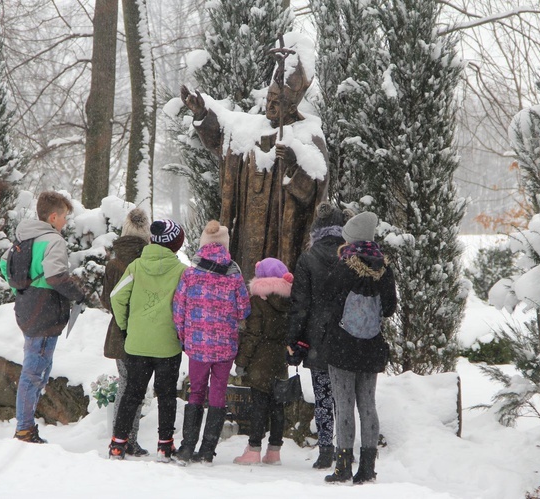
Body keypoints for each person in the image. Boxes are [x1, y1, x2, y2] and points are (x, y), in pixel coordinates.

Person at [179, 33, 328, 280]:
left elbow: (315, 187)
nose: (270, 106)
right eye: (269, 99)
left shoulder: (307, 135)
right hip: (246, 229)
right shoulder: (251, 128)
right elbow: (223, 135)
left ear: (291, 107)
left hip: (280, 234)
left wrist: (294, 161)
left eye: (277, 102)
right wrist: (202, 114)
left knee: (272, 285)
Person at [0, 191, 86, 444]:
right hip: (46, 309)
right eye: (64, 217)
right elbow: (56, 276)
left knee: (37, 366)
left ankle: (26, 426)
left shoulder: (22, 237)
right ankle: (24, 429)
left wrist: (20, 287)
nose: (65, 223)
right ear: (52, 217)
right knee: (35, 370)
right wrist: (79, 294)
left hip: (26, 306)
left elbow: (4, 264)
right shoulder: (53, 240)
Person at [322, 211, 397, 484]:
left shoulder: (343, 266)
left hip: (342, 346)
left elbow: (329, 302)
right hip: (371, 346)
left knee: (344, 405)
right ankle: (367, 468)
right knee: (368, 405)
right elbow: (389, 308)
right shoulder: (384, 269)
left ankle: (343, 467)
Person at [172, 221, 251, 465]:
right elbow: (244, 310)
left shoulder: (190, 273)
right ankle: (207, 450)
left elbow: (178, 308)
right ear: (225, 246)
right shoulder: (234, 274)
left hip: (197, 346)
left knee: (196, 392)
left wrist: (184, 336)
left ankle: (186, 447)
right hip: (225, 345)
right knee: (218, 393)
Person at [108, 219, 187, 461]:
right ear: (175, 245)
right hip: (167, 344)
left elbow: (116, 296)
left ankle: (118, 444)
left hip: (138, 343)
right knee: (166, 396)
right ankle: (165, 445)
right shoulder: (182, 272)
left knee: (133, 393)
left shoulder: (136, 267)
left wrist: (125, 326)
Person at [286, 202, 352, 468]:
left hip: (318, 338)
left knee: (323, 395)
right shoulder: (350, 256)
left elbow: (300, 305)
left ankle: (325, 450)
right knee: (346, 397)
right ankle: (345, 449)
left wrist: (294, 340)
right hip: (349, 336)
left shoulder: (308, 258)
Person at [99, 207, 151, 457]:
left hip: (120, 332)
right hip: (144, 331)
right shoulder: (146, 263)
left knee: (125, 385)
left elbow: (107, 301)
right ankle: (130, 439)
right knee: (137, 388)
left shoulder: (114, 264)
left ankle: (118, 438)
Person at [233, 257, 293, 466]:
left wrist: (241, 361)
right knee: (277, 407)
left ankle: (254, 449)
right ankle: (274, 452)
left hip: (260, 361)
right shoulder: (289, 302)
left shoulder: (258, 301)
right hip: (279, 360)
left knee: (259, 406)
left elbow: (253, 335)